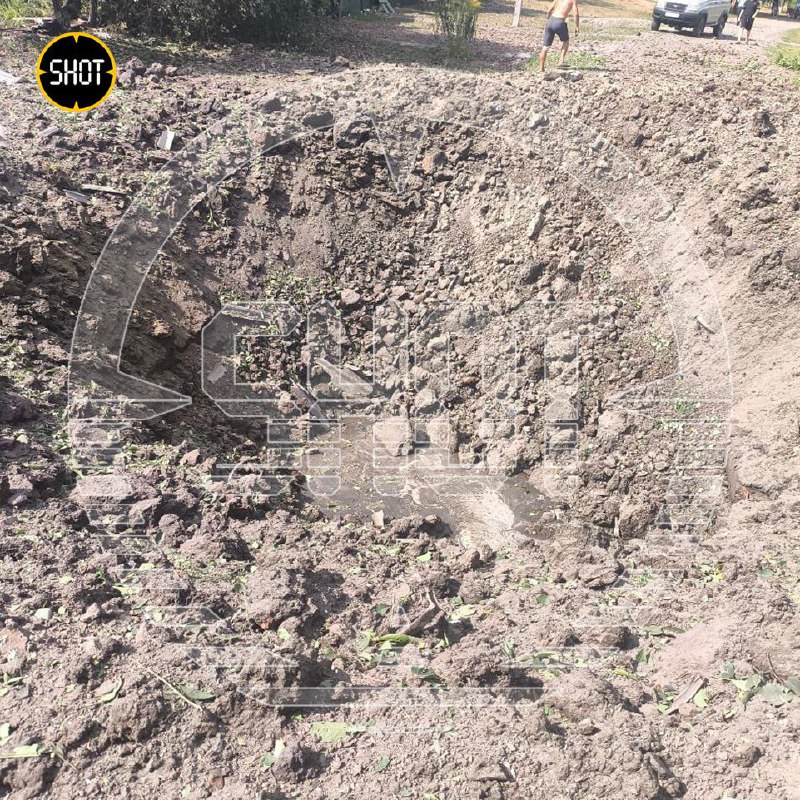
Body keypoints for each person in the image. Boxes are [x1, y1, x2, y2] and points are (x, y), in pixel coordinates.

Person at [538, 0, 580, 73]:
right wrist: (576, 26)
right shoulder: (573, 0)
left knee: (545, 47)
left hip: (550, 21)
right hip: (560, 22)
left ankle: (541, 68)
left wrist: (549, 21)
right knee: (566, 41)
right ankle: (561, 60)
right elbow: (576, 14)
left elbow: (548, 11)